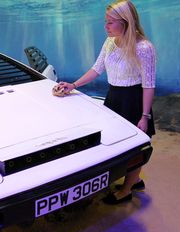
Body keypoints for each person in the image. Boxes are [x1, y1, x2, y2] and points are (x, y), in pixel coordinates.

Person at [57, 0, 156, 204]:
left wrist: (144, 116)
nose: (106, 26)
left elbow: (148, 84)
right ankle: (135, 179)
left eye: (111, 22)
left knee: (135, 146)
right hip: (114, 97)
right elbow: (97, 68)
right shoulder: (110, 41)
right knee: (116, 142)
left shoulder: (144, 47)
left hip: (134, 101)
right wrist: (73, 85)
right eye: (106, 21)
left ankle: (126, 190)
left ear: (126, 22)